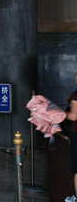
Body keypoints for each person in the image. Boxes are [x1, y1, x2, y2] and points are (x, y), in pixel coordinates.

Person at [64, 74, 77, 202]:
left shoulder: (75, 95)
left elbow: (73, 116)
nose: (75, 80)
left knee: (76, 167)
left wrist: (59, 113)